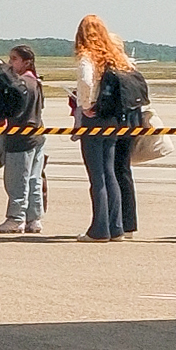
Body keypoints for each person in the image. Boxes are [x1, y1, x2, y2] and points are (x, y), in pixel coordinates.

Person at [69, 13, 139, 239]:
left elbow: (87, 81)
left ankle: (99, 228)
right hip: (114, 120)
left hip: (95, 119)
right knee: (110, 172)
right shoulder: (116, 57)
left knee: (97, 176)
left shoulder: (87, 57)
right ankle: (116, 226)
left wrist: (86, 104)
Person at [0, 45, 48, 234]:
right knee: (33, 180)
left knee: (16, 181)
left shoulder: (22, 84)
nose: (10, 63)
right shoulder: (36, 82)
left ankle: (15, 217)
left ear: (27, 62)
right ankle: (34, 218)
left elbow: (13, 110)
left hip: (21, 138)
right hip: (36, 136)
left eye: (14, 59)